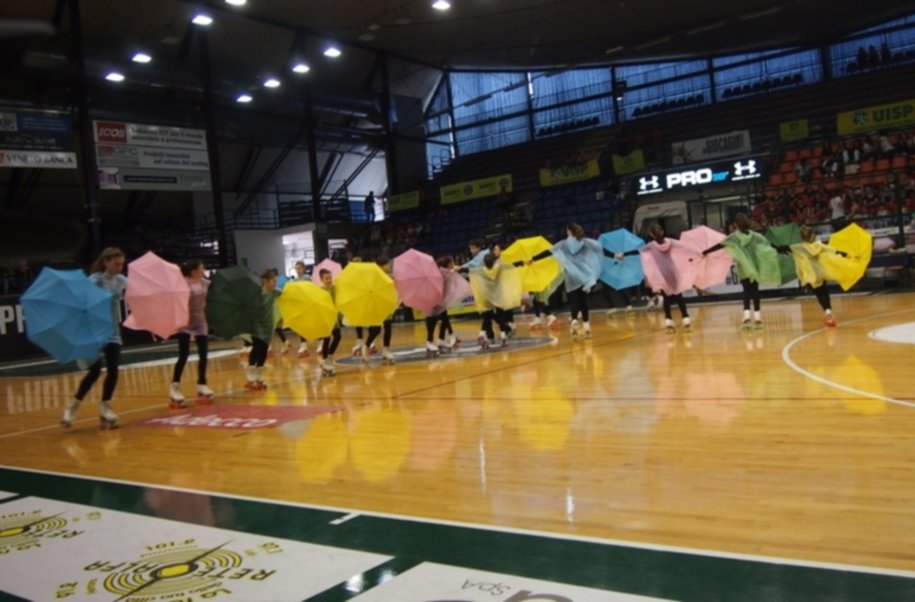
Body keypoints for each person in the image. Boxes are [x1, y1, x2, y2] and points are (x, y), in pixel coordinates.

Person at [60, 247, 127, 429]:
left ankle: (106, 406)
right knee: (95, 372)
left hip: (112, 331)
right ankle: (73, 406)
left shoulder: (121, 280)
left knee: (113, 369)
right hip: (92, 331)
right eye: (116, 264)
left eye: (121, 264)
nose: (119, 268)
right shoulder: (94, 280)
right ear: (106, 262)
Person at [702, 213, 780, 329]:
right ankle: (758, 319)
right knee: (755, 292)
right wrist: (780, 249)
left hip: (743, 268)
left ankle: (747, 318)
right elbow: (768, 244)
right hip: (755, 267)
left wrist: (705, 252)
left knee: (746, 292)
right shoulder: (755, 236)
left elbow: (720, 245)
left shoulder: (734, 237)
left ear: (736, 225)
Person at [528, 223, 602, 338]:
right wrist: (615, 255)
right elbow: (598, 250)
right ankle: (587, 327)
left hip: (571, 277)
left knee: (574, 301)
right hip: (585, 275)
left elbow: (548, 252)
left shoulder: (563, 244)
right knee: (583, 301)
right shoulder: (584, 242)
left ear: (569, 232)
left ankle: (574, 321)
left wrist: (533, 258)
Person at [618, 224, 692, 333]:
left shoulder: (651, 245)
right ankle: (686, 319)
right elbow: (683, 247)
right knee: (679, 297)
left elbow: (639, 251)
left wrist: (624, 254)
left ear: (652, 234)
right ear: (662, 231)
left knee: (666, 298)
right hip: (672, 273)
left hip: (662, 275)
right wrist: (698, 252)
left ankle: (668, 321)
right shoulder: (670, 242)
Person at [782, 225, 853, 328]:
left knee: (819, 294)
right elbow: (833, 250)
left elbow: (782, 248)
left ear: (801, 237)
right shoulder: (818, 245)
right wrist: (847, 254)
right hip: (819, 274)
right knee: (823, 293)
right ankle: (828, 312)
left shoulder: (797, 247)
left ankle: (827, 313)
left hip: (809, 277)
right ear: (812, 235)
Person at [169, 259, 214, 409]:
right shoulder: (183, 283)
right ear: (194, 271)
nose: (204, 269)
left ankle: (202, 384)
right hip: (185, 322)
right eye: (202, 267)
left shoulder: (204, 282)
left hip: (200, 321)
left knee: (204, 354)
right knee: (183, 355)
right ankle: (174, 387)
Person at [245, 268, 280, 389]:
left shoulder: (274, 292)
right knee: (257, 347)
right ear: (266, 281)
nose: (275, 283)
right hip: (256, 325)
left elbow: (287, 294)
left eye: (276, 281)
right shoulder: (256, 293)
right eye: (273, 281)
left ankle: (259, 373)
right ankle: (250, 372)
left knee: (264, 349)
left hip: (268, 326)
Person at [363, 257, 396, 364]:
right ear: (380, 266)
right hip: (376, 306)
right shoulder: (374, 277)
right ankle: (366, 346)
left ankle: (386, 350)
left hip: (387, 305)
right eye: (386, 264)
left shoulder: (389, 276)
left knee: (388, 327)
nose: (388, 266)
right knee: (376, 329)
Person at [317, 269, 342, 375]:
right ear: (321, 280)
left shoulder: (335, 288)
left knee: (338, 336)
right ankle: (324, 360)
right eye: (326, 279)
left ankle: (329, 356)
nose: (329, 280)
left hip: (334, 317)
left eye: (330, 278)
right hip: (325, 318)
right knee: (326, 340)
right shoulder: (320, 291)